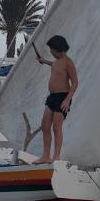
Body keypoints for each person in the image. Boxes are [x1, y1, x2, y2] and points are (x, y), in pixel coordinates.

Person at [34, 35, 78, 163]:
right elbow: (54, 64)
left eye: (52, 51)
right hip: (52, 97)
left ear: (60, 49)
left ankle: (56, 157)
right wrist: (43, 60)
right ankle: (45, 156)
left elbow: (75, 83)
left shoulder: (68, 63)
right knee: (45, 125)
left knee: (56, 127)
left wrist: (67, 100)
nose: (51, 53)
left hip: (62, 97)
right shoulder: (57, 61)